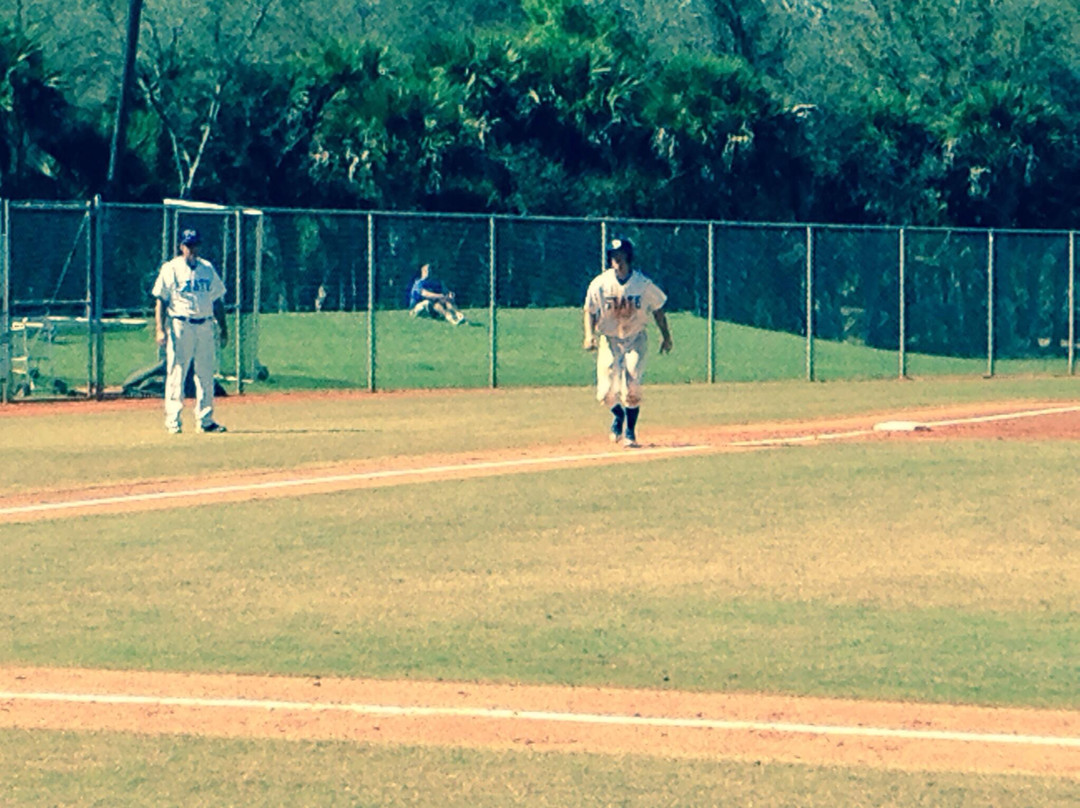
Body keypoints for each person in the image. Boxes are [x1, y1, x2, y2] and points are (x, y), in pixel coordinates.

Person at [583, 236, 672, 448]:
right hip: (609, 339)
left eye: (621, 255)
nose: (617, 260)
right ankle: (619, 416)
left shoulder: (642, 284)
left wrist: (666, 336)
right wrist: (589, 335)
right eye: (613, 256)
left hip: (635, 338)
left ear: (629, 257)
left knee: (632, 383)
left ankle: (630, 431)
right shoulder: (600, 284)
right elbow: (589, 310)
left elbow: (658, 309)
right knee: (606, 393)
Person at [152, 228, 229, 434]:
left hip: (204, 325)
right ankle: (173, 420)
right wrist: (160, 328)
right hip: (181, 325)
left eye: (195, 245)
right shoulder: (171, 268)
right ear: (181, 247)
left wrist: (223, 328)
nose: (192, 249)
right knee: (177, 372)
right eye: (188, 245)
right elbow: (161, 300)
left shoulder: (207, 268)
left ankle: (205, 420)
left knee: (205, 373)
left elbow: (217, 300)